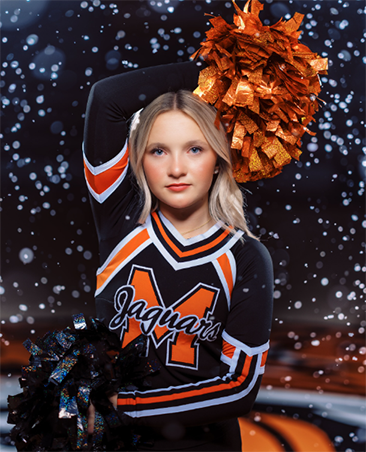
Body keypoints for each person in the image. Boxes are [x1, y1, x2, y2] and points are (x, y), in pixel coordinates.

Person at [83, 61, 273, 451]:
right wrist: (221, 67)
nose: (176, 168)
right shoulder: (119, 221)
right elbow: (107, 98)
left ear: (219, 159)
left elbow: (239, 388)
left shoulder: (247, 257)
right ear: (139, 161)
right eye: (158, 150)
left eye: (194, 149)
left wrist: (126, 407)